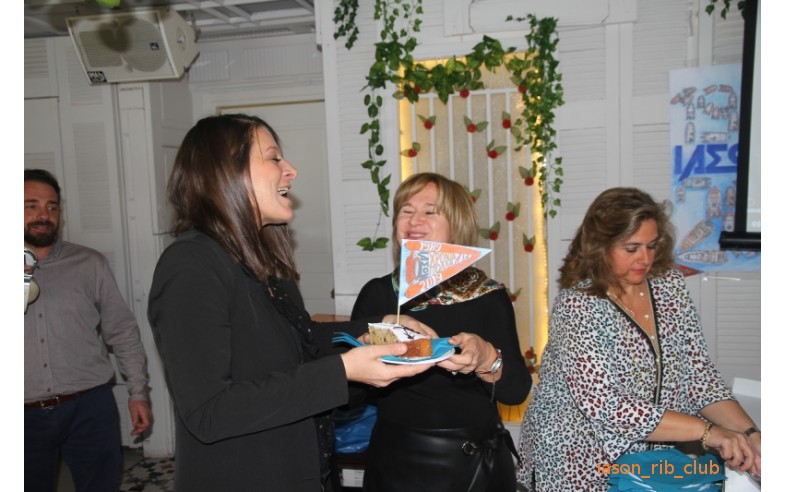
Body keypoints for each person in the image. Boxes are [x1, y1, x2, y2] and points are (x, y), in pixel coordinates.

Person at [147, 113, 437, 492]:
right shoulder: (192, 264)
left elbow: (300, 339)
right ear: (226, 171)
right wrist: (342, 371)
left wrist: (377, 329)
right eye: (273, 158)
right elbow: (209, 410)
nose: (291, 170)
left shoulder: (265, 261)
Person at [516, 187, 762, 491]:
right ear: (600, 247)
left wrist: (750, 433)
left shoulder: (669, 287)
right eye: (631, 248)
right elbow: (607, 406)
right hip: (577, 459)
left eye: (651, 245)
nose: (645, 258)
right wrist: (708, 432)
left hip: (647, 458)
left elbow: (699, 377)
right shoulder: (577, 306)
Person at [351, 172, 532, 492]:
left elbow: (516, 391)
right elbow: (349, 398)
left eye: (430, 211)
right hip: (394, 460)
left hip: (471, 462)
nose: (414, 220)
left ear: (457, 225)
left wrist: (486, 358)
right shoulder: (377, 295)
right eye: (406, 211)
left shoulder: (488, 296)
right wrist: (363, 354)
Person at [24, 169, 153, 491]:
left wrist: (138, 393)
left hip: (89, 407)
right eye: (31, 205)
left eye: (52, 207)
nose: (43, 215)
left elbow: (122, 331)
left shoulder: (89, 263)